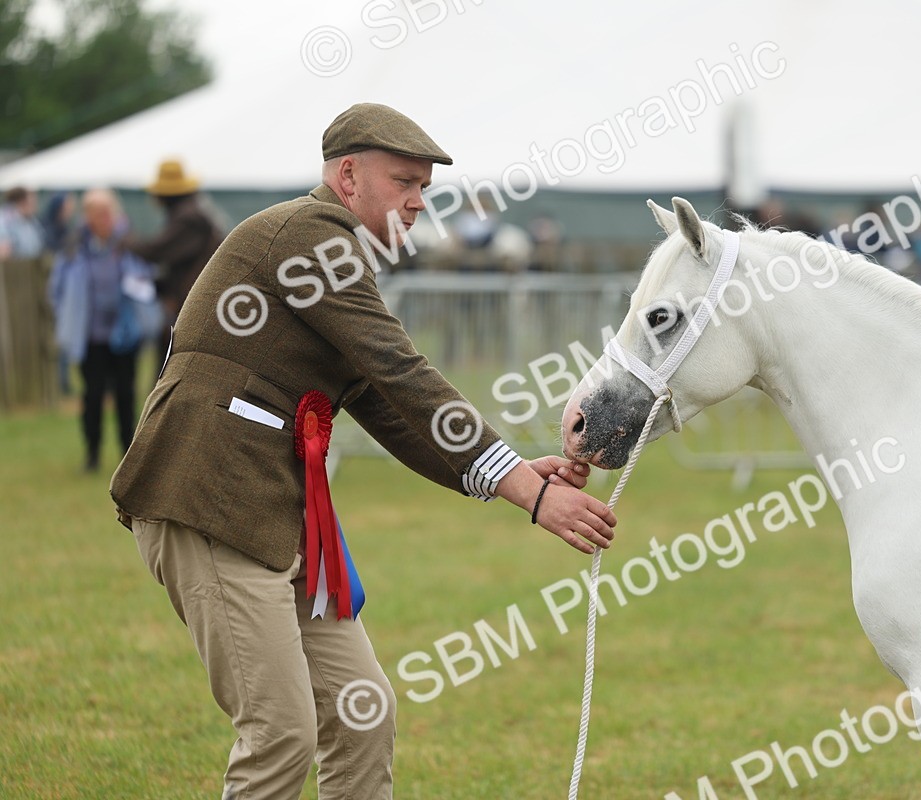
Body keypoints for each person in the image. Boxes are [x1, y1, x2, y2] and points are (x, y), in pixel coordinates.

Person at [109, 103, 616, 799]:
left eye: (424, 189)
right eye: (403, 181)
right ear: (348, 176)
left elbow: (391, 409)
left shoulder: (332, 254)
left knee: (361, 712)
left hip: (263, 510)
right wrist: (531, 494)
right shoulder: (314, 234)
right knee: (282, 731)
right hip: (209, 500)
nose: (417, 203)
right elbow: (402, 372)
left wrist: (511, 476)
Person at [49, 189, 156, 472]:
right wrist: (67, 318)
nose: (104, 218)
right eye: (97, 213)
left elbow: (147, 281)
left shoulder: (130, 243)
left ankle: (127, 455)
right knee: (92, 395)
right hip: (90, 337)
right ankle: (92, 453)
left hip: (125, 336)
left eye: (107, 212)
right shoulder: (74, 247)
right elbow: (56, 289)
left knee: (125, 395)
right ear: (87, 217)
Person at [128, 159, 224, 368]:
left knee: (171, 365)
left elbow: (157, 251)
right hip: (193, 301)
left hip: (192, 305)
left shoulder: (188, 218)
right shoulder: (193, 212)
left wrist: (127, 241)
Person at [0, 186, 45, 260]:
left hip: (30, 265)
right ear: (22, 202)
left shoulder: (32, 221)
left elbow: (38, 244)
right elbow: (4, 249)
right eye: (32, 202)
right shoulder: (6, 220)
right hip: (13, 266)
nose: (35, 205)